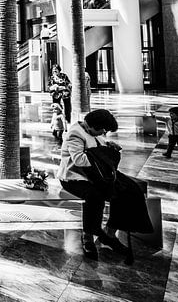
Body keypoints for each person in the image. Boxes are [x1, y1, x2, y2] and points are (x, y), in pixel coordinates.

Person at [58, 109, 136, 260]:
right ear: (93, 125)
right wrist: (105, 155)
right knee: (95, 196)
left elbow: (95, 146)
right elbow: (79, 159)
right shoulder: (75, 133)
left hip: (94, 176)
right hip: (74, 178)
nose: (103, 132)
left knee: (126, 190)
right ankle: (88, 237)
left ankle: (109, 232)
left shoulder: (93, 132)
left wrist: (108, 145)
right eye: (102, 129)